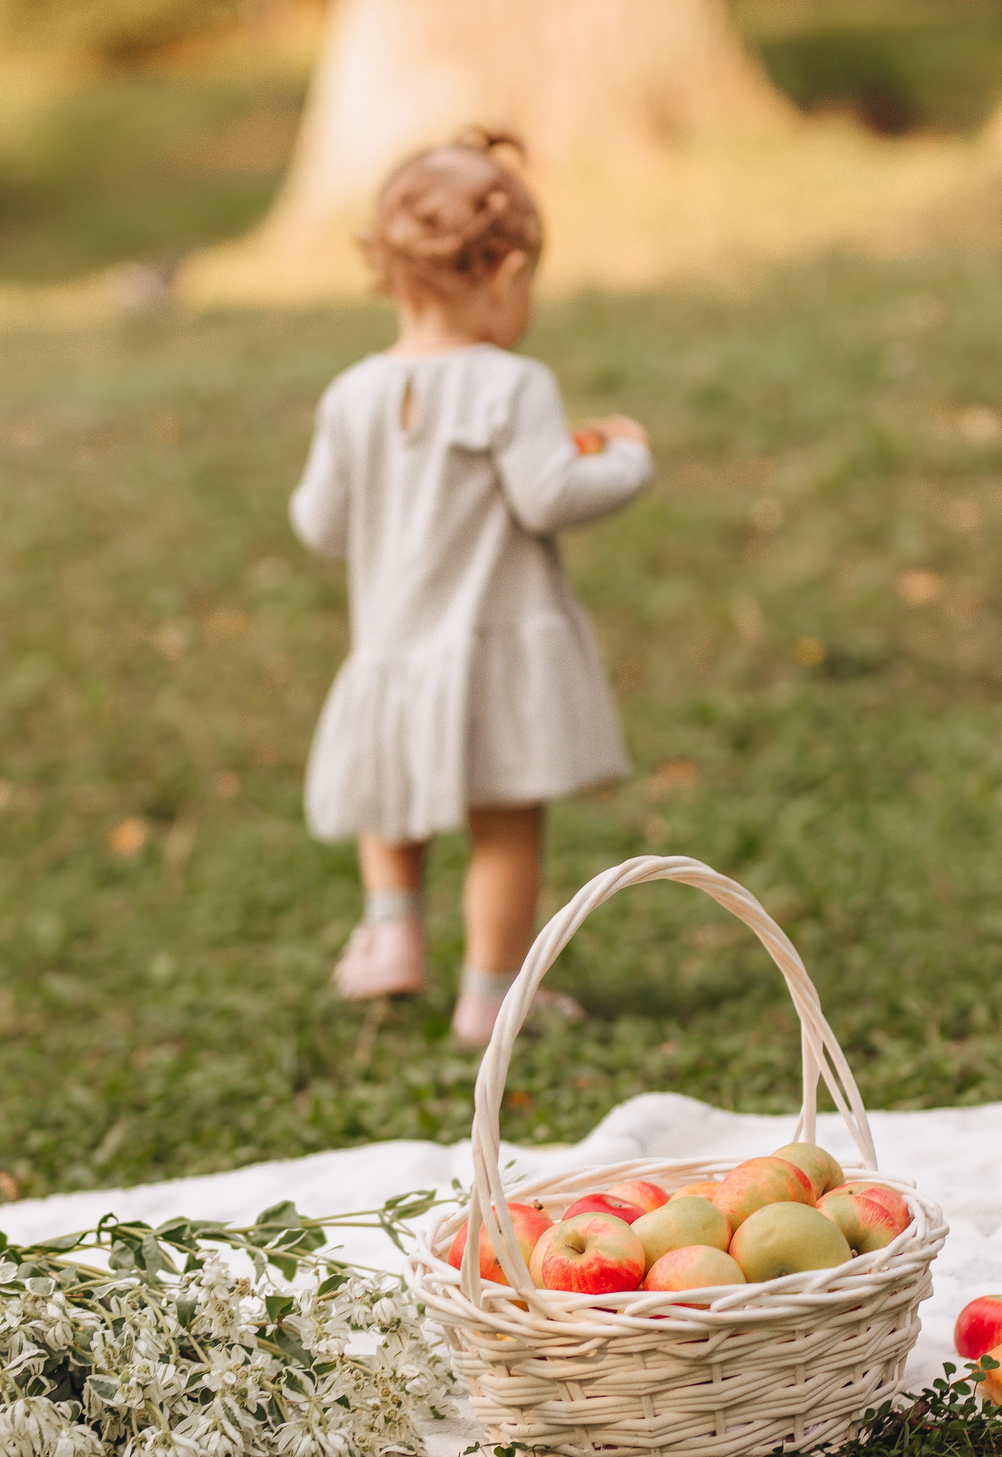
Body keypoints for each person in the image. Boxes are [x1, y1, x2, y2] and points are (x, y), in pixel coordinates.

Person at [288, 130, 653, 1047]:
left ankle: (391, 929)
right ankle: (492, 995)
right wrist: (627, 459)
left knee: (390, 794)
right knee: (505, 828)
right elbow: (548, 495)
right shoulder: (512, 385)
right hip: (495, 650)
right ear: (507, 271)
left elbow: (321, 524)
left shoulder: (351, 394)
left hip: (394, 646)